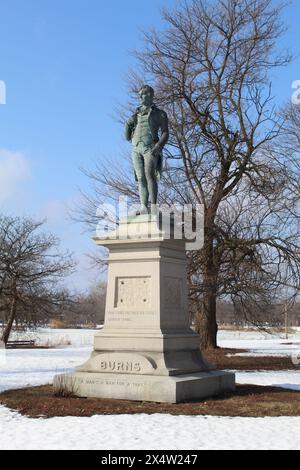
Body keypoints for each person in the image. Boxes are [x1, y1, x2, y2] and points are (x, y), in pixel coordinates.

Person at [125, 85, 169, 214]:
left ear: (150, 95)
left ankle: (154, 207)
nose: (141, 97)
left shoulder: (160, 113)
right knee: (140, 177)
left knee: (150, 175)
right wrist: (128, 123)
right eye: (140, 95)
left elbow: (165, 133)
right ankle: (143, 206)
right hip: (136, 148)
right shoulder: (135, 115)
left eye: (143, 94)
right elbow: (127, 136)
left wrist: (158, 146)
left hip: (150, 148)